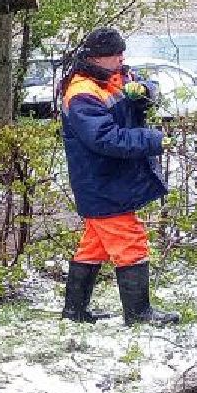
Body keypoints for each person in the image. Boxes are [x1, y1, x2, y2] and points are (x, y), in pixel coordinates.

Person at [56, 27, 179, 327]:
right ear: (99, 58)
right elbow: (106, 139)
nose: (123, 59)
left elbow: (146, 87)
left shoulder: (115, 75)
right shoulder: (82, 92)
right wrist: (152, 140)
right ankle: (138, 314)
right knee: (130, 241)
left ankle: (75, 311)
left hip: (107, 180)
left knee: (93, 246)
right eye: (117, 54)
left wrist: (145, 93)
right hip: (100, 182)